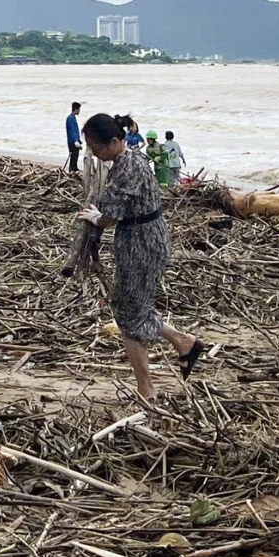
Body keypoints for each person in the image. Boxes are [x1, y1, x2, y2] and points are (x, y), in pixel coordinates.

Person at [77, 112, 206, 401]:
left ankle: (146, 390)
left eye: (96, 148)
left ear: (113, 142)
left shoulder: (128, 165)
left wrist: (97, 218)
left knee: (129, 314)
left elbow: (113, 213)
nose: (94, 153)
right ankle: (185, 343)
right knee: (131, 306)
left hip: (143, 243)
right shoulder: (126, 159)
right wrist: (102, 215)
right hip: (139, 238)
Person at [66, 101, 83, 172]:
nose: (79, 111)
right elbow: (72, 131)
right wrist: (76, 141)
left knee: (75, 157)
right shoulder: (70, 119)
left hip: (74, 141)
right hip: (72, 142)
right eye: (79, 109)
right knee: (73, 157)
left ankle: (74, 169)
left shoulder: (72, 118)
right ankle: (73, 170)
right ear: (75, 109)